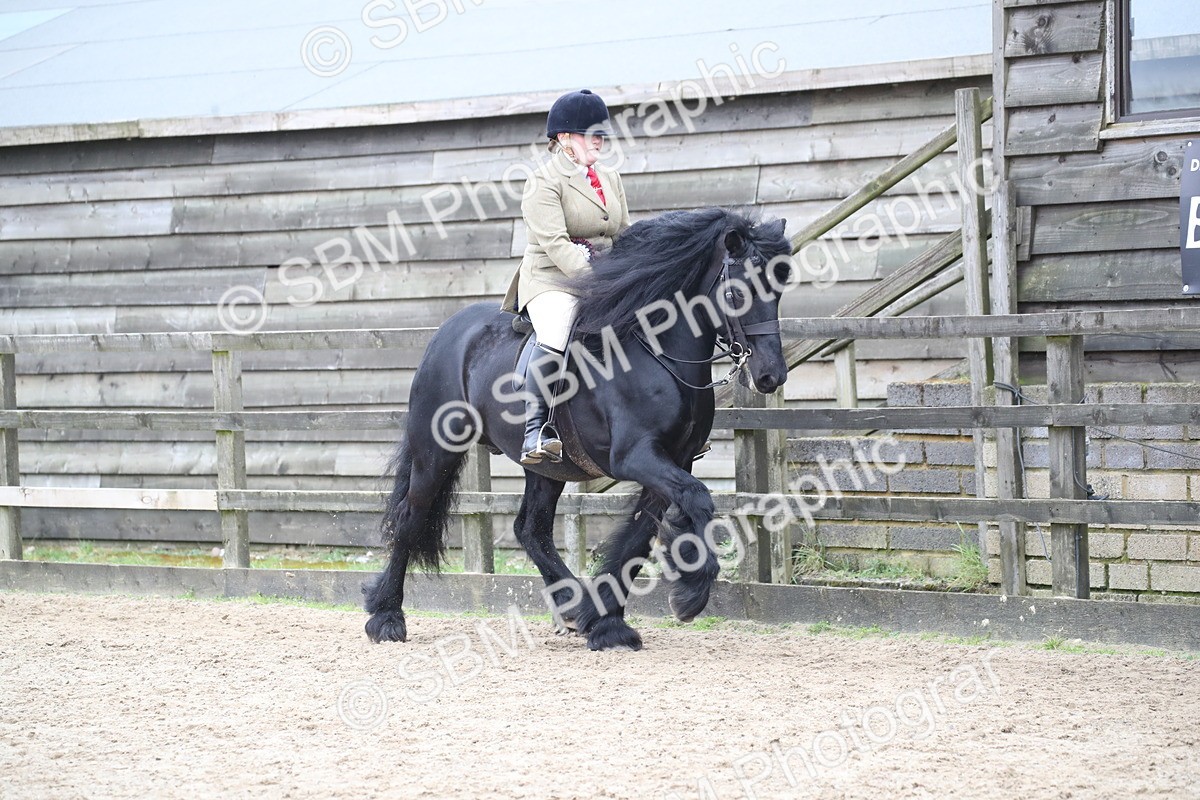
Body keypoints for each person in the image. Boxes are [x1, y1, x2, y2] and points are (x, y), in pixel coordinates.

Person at [501, 89, 631, 465]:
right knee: (558, 330)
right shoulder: (543, 181)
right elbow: (556, 244)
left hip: (605, 273)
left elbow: (622, 231)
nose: (598, 140)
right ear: (563, 138)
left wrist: (636, 272)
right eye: (589, 132)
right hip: (552, 279)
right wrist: (596, 282)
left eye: (601, 133)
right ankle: (535, 432)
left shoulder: (609, 177)